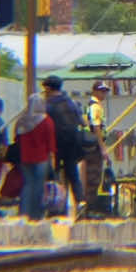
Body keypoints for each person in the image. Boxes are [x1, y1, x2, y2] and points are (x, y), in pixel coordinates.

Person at [42, 75, 84, 217]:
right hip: (73, 144)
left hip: (56, 145)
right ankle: (80, 202)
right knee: (73, 174)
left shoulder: (48, 105)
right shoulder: (71, 102)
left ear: (48, 88)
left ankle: (55, 205)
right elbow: (82, 122)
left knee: (52, 175)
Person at [14, 93, 55, 221]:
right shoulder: (46, 120)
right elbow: (51, 142)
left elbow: (16, 139)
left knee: (27, 185)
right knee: (38, 186)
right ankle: (36, 214)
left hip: (24, 158)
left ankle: (24, 212)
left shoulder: (21, 120)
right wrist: (52, 157)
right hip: (41, 158)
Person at [83, 80, 111, 215]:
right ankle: (90, 208)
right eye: (101, 90)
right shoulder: (95, 106)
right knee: (93, 177)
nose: (104, 93)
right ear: (94, 91)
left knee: (93, 177)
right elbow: (96, 128)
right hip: (94, 147)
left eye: (105, 91)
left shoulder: (95, 105)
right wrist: (102, 147)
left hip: (92, 145)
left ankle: (89, 207)